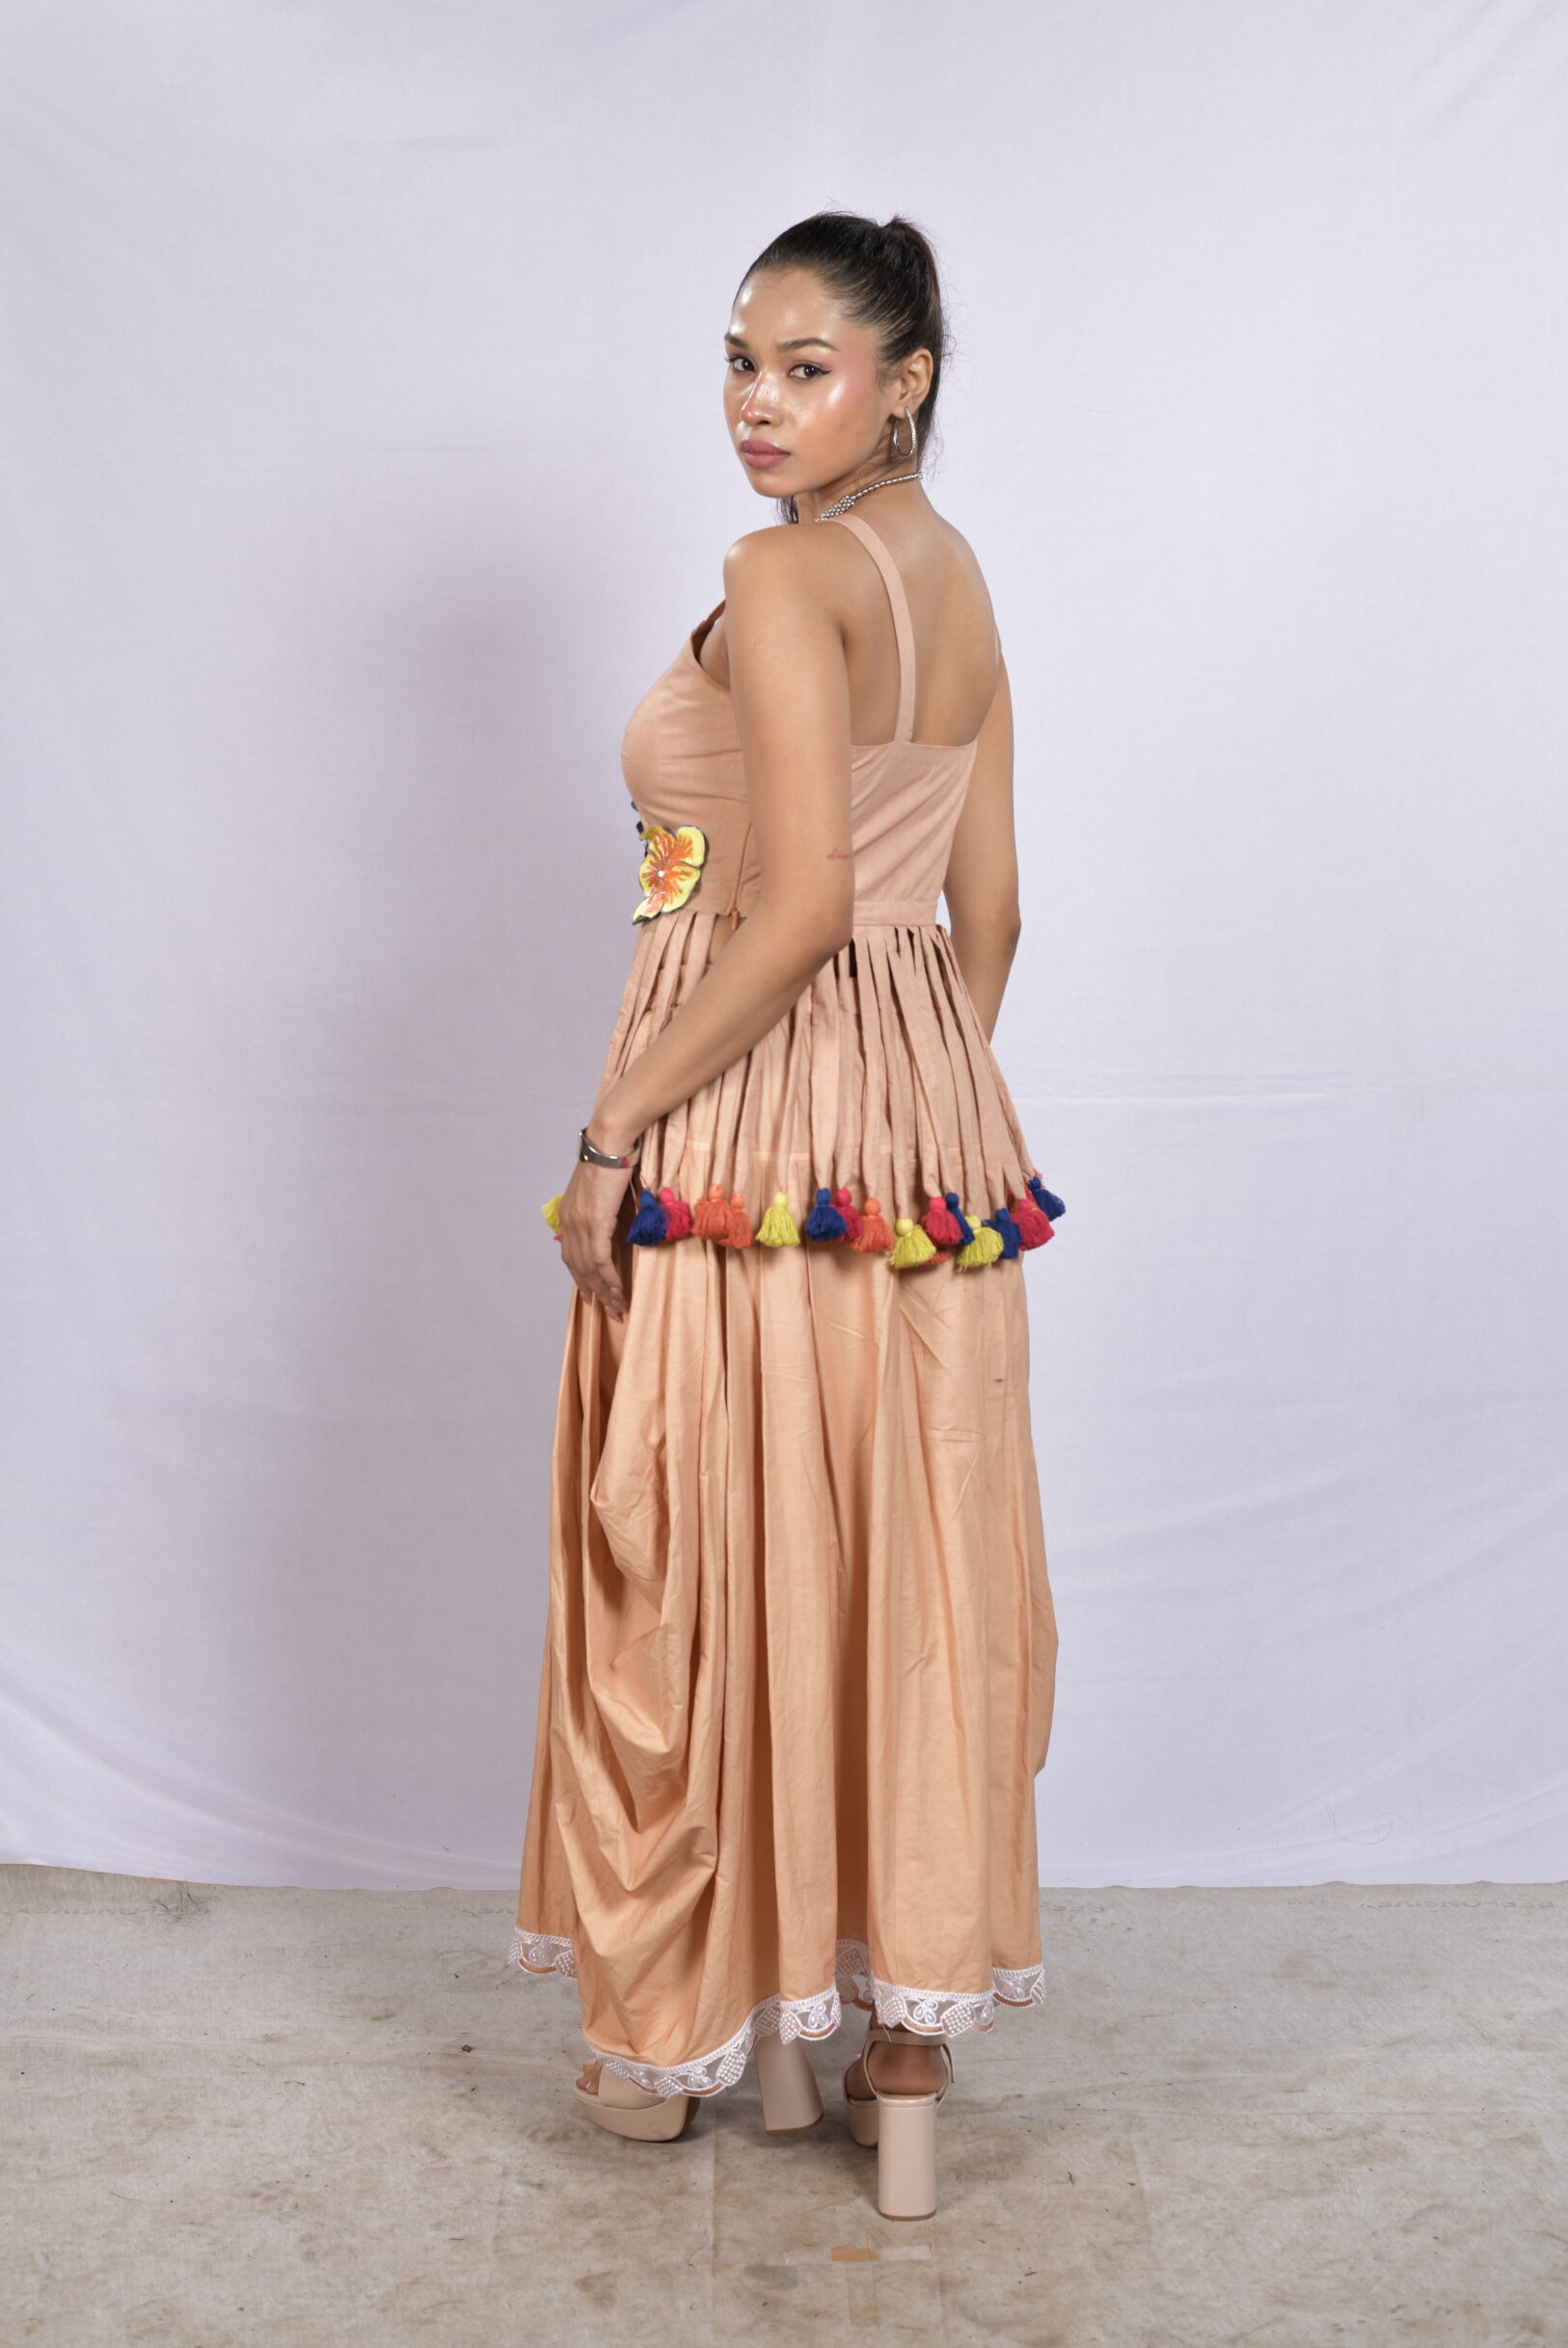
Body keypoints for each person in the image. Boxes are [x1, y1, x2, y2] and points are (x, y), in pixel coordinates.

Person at [511, 209, 1061, 2221]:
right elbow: (985, 911)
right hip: (916, 1147)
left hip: (736, 1127)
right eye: (739, 361)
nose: (757, 401)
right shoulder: (955, 573)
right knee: (898, 1556)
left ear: (902, 381)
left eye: (805, 364)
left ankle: (687, 2043)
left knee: (701, 1544)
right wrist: (910, 1105)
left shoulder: (780, 572)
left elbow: (800, 900)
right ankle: (893, 2050)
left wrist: (613, 1130)